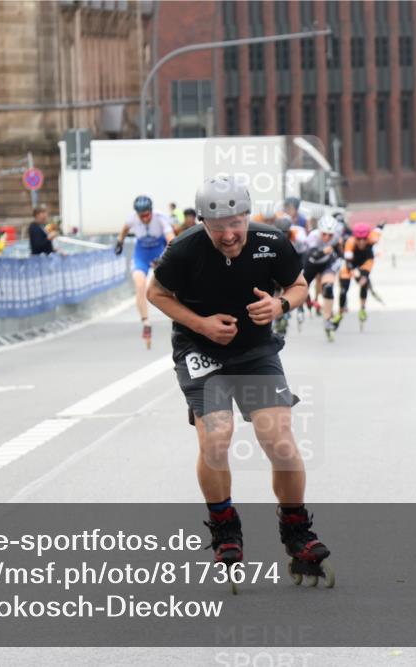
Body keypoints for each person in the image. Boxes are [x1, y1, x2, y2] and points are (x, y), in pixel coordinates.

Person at [146, 175, 333, 586]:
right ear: (203, 223)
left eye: (237, 224)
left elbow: (298, 286)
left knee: (280, 441)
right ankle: (225, 527)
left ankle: (296, 530)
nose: (230, 235)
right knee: (216, 437)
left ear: (248, 216)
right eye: (218, 228)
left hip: (255, 350)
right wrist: (202, 324)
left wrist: (280, 304)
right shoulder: (184, 248)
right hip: (200, 351)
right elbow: (155, 293)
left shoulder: (272, 240)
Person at [115, 195, 175, 347]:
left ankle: (175, 317)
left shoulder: (160, 217)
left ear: (151, 211)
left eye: (147, 215)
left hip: (159, 252)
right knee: (140, 285)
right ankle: (146, 321)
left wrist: (165, 258)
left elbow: (171, 240)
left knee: (167, 286)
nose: (145, 219)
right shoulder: (133, 218)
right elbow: (124, 229)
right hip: (141, 253)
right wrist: (119, 242)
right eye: (142, 216)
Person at [303, 215, 345, 341]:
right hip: (311, 263)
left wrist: (339, 249)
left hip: (326, 263)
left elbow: (340, 254)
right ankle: (306, 304)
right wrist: (325, 251)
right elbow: (313, 255)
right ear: (320, 231)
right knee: (302, 289)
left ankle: (327, 319)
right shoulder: (313, 236)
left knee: (328, 287)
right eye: (324, 234)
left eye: (330, 235)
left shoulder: (337, 236)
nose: (327, 237)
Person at [336, 222, 381, 328]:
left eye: (364, 239)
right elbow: (348, 263)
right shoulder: (350, 242)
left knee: (364, 283)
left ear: (368, 237)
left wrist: (364, 276)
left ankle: (362, 308)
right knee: (343, 291)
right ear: (355, 237)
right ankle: (340, 313)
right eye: (358, 239)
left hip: (364, 263)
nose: (361, 242)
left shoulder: (373, 239)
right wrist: (354, 273)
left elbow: (378, 230)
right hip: (350, 266)